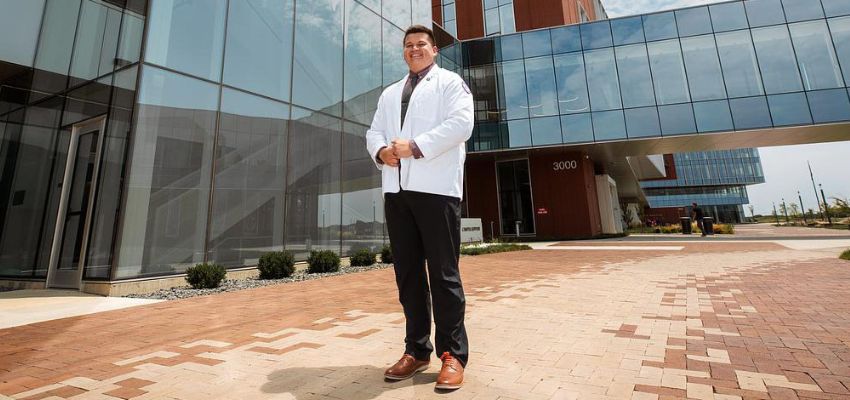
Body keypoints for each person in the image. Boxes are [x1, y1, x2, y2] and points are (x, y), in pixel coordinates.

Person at [365, 25, 474, 390]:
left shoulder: (450, 83)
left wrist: (415, 146)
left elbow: (461, 124)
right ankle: (416, 350)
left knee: (443, 274)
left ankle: (453, 355)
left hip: (436, 190)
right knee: (408, 275)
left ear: (434, 50)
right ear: (404, 52)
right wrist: (381, 152)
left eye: (421, 44)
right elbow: (375, 131)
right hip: (397, 192)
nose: (415, 49)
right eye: (409, 45)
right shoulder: (390, 93)